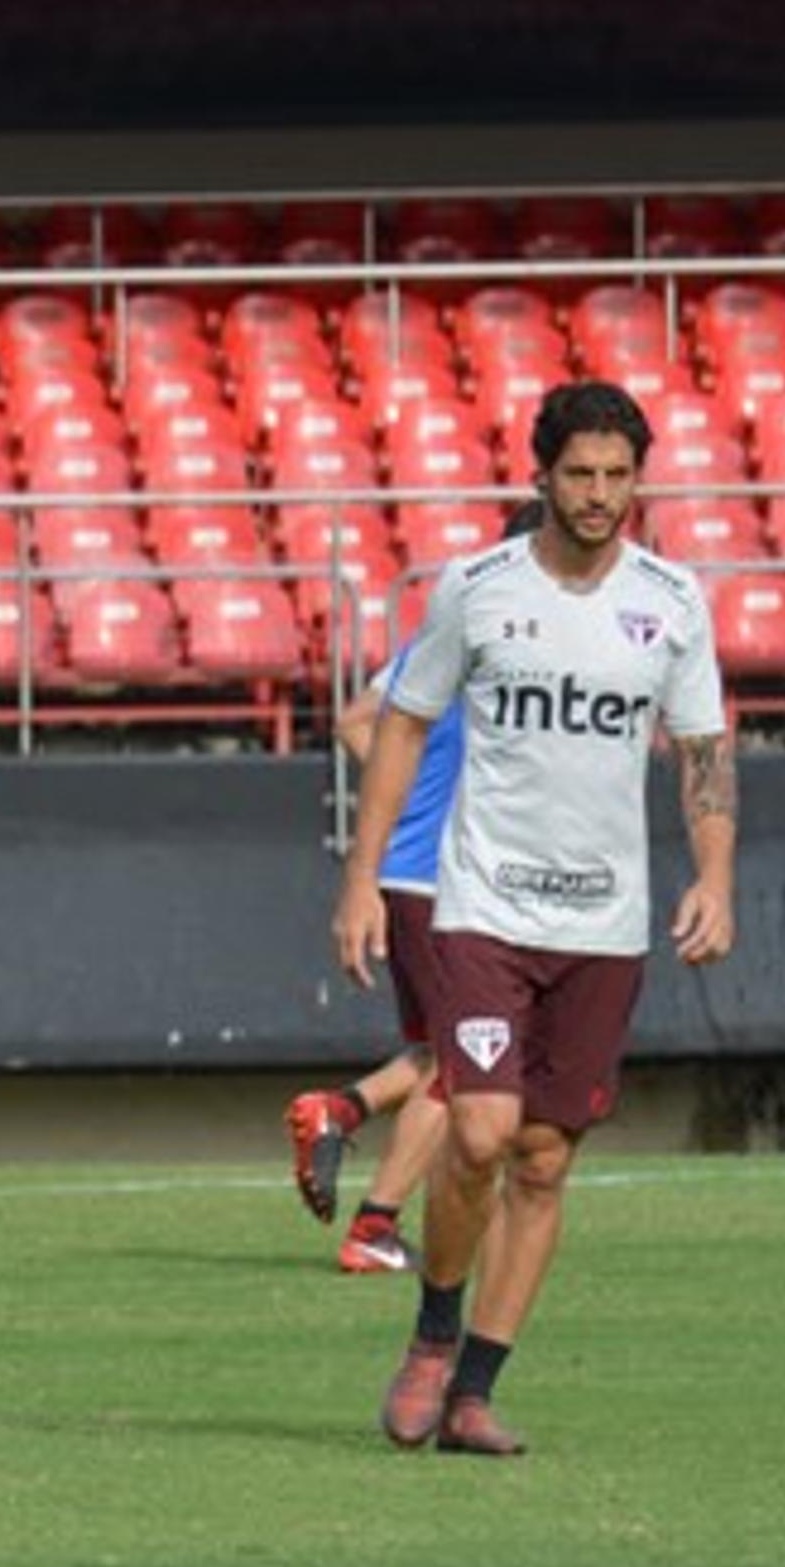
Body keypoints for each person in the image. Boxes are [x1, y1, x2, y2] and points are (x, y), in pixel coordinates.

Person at [335, 381, 733, 1458]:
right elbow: (404, 729)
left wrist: (714, 876)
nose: (599, 495)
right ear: (542, 477)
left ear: (636, 481)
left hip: (604, 923)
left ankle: (474, 1389)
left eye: (616, 476)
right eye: (579, 475)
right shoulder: (477, 590)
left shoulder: (673, 603)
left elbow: (701, 750)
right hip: (483, 907)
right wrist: (364, 876)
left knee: (548, 1159)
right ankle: (430, 1332)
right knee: (479, 1128)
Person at [288, 501, 540, 1274]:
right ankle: (374, 1225)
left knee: (440, 1053)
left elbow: (357, 717)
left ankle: (339, 1111)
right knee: (468, 1065)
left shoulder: (454, 634)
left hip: (409, 870)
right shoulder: (511, 649)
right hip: (445, 878)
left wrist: (404, 791)